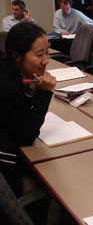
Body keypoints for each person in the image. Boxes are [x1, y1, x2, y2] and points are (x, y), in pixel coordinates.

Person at [0, 22, 56, 196]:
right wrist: (43, 93)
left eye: (47, 53)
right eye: (39, 55)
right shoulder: (7, 86)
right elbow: (28, 135)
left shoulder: (10, 73)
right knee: (54, 185)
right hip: (7, 168)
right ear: (17, 56)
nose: (46, 61)